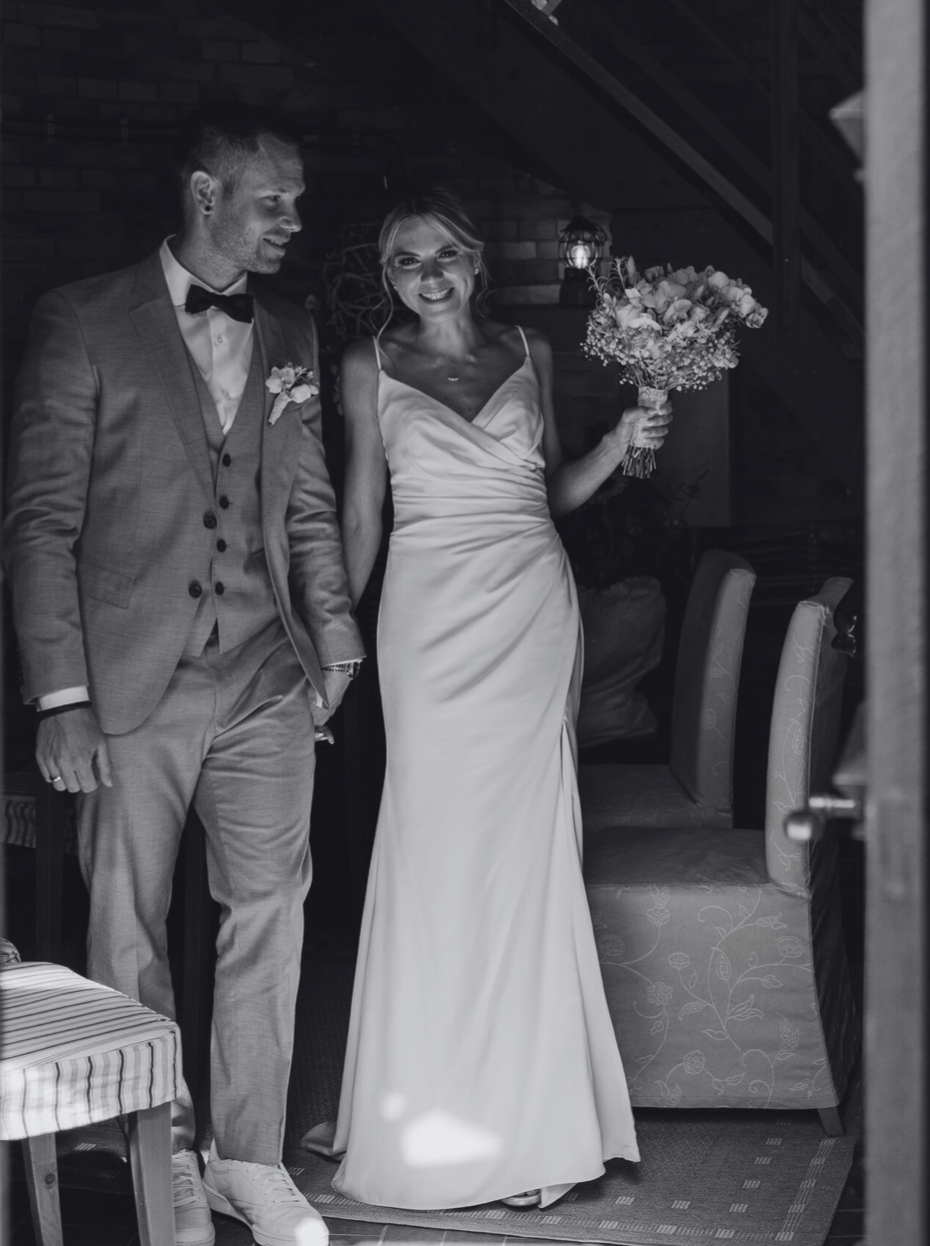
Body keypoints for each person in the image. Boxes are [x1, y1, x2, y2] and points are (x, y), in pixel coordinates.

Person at [3, 103, 362, 1246]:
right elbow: (40, 521)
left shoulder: (291, 329)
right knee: (129, 919)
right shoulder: (82, 319)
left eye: (297, 200)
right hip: (124, 680)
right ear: (206, 194)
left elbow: (308, 504)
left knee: (271, 909)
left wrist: (336, 642)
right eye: (274, 200)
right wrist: (61, 696)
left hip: (266, 671)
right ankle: (157, 1154)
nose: (292, 220)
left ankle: (250, 1160)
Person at [317, 190, 664, 1210]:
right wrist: (335, 647)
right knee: (434, 846)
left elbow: (545, 490)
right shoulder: (366, 366)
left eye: (442, 255)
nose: (425, 275)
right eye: (404, 260)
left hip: (530, 611)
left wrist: (620, 442)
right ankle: (427, 1096)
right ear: (389, 278)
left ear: (475, 263)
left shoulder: (528, 350)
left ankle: (532, 1118)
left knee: (525, 854)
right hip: (425, 621)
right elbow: (363, 516)